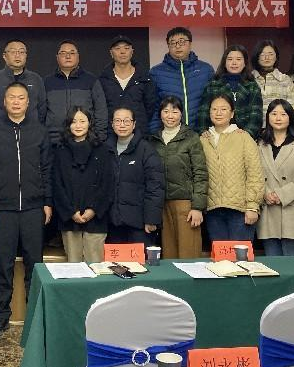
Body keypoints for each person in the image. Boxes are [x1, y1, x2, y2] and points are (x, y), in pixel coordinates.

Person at [0, 82, 52, 338]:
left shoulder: (40, 131)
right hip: (4, 209)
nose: (16, 101)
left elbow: (47, 169)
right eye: (11, 97)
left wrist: (47, 201)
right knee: (4, 265)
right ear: (4, 101)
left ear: (28, 102)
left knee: (35, 266)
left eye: (21, 98)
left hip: (34, 207)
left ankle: (35, 317)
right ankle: (1, 317)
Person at [149, 96, 208, 259]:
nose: (170, 116)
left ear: (181, 114)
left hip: (186, 204)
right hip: (162, 204)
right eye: (166, 111)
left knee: (188, 254)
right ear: (160, 114)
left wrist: (197, 207)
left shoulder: (191, 137)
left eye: (174, 112)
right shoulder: (153, 140)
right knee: (169, 254)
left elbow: (200, 173)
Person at [199, 94, 264, 243]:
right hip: (212, 210)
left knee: (240, 255)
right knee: (220, 256)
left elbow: (255, 174)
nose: (218, 113)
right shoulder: (203, 140)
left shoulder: (244, 138)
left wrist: (253, 206)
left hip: (240, 211)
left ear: (232, 113)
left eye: (224, 109)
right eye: (214, 109)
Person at [256, 100, 294, 256]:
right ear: (267, 117)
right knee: (272, 263)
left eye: (283, 114)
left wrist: (281, 194)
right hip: (268, 211)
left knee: (291, 263)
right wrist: (265, 193)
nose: (278, 118)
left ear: (290, 118)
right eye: (274, 114)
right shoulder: (259, 146)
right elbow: (253, 175)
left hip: (293, 212)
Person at [52, 107, 113, 263]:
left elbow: (107, 184)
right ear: (68, 125)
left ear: (89, 123)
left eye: (82, 121)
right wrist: (71, 212)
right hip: (69, 218)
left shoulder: (102, 150)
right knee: (74, 266)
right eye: (74, 122)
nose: (78, 125)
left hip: (96, 218)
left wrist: (93, 209)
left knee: (95, 266)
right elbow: (57, 185)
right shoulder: (60, 150)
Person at [106, 107, 165, 248]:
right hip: (112, 222)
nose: (122, 125)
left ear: (134, 124)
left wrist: (152, 219)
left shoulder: (146, 150)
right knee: (115, 260)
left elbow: (156, 186)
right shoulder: (105, 149)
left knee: (140, 260)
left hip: (139, 224)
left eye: (126, 121)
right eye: (118, 121)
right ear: (112, 124)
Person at [149, 27, 214, 132]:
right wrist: (155, 135)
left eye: (182, 42)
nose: (177, 46)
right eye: (173, 43)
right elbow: (154, 108)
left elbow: (213, 103)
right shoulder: (156, 72)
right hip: (170, 134)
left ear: (190, 44)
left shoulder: (206, 70)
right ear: (168, 46)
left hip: (202, 132)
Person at [44, 40, 108, 144]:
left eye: (72, 53)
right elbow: (41, 113)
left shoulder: (91, 80)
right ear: (57, 57)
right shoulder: (47, 82)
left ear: (78, 57)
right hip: (53, 141)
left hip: (86, 140)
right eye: (63, 53)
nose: (68, 56)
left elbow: (101, 110)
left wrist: (99, 138)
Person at [197, 44, 263, 139]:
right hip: (216, 135)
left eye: (238, 59)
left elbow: (256, 115)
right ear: (224, 63)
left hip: (244, 136)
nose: (234, 63)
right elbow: (203, 110)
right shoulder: (213, 84)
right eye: (230, 59)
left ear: (245, 63)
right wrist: (203, 130)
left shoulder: (252, 86)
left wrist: (247, 133)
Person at [99, 35, 157, 136]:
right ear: (111, 53)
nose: (122, 52)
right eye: (118, 48)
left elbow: (150, 107)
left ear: (132, 51)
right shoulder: (103, 79)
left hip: (139, 135)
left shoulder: (144, 78)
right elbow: (100, 109)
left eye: (126, 48)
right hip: (111, 136)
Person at [0, 39, 46, 124]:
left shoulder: (36, 79)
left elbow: (42, 108)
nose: (17, 55)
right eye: (13, 52)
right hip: (1, 129)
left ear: (26, 56)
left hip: (31, 129)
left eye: (21, 52)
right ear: (4, 56)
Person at [251, 40, 294, 128]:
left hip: (279, 129)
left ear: (276, 57)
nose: (267, 57)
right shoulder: (249, 79)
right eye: (263, 54)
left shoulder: (285, 80)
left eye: (271, 54)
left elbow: (292, 109)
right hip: (253, 129)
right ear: (256, 57)